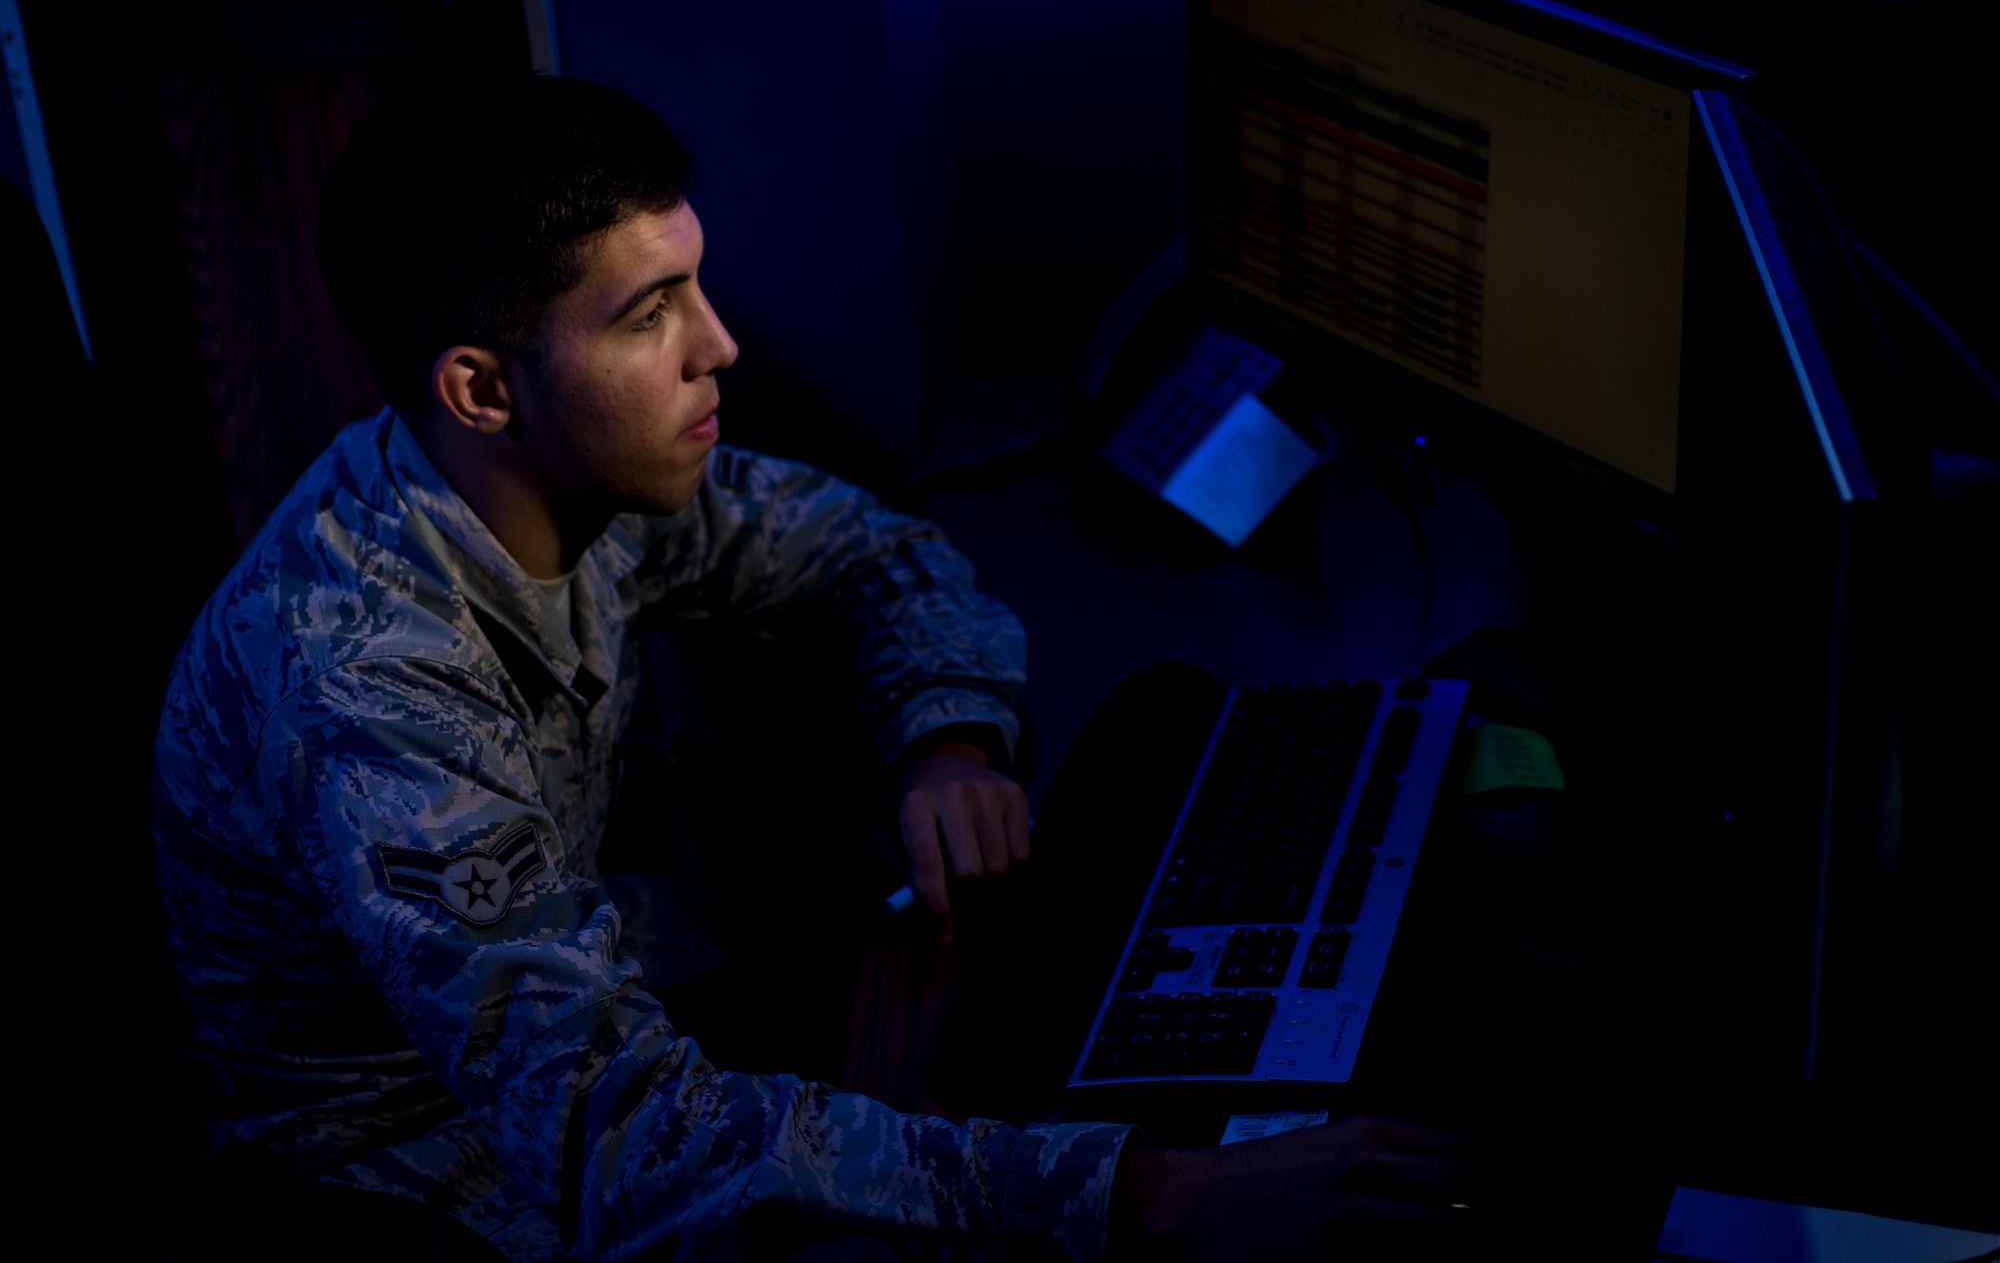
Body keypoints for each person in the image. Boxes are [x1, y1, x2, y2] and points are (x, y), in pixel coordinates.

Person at [152, 75, 1473, 1261]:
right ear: (482, 391)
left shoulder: (550, 479)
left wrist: (945, 739)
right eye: (651, 314)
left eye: (697, 283)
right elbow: (624, 1144)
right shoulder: (369, 687)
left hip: (586, 1023)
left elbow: (862, 552)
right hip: (410, 1176)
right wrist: (1152, 1197)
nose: (719, 345)